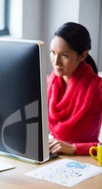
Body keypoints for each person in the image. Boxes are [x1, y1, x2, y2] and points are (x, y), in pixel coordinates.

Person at [48, 22, 102, 155]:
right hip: (54, 156)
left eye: (64, 55)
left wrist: (74, 148)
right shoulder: (48, 83)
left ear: (82, 56)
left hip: (88, 160)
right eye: (53, 53)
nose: (56, 61)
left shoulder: (97, 88)